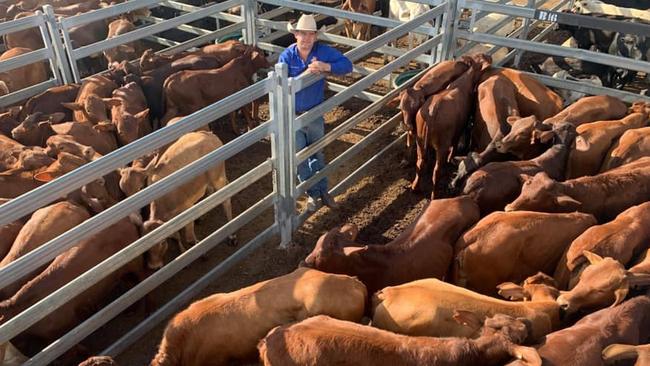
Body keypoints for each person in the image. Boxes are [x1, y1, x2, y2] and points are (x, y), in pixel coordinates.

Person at [278, 14, 353, 211]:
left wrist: (326, 66)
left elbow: (347, 65)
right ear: (295, 35)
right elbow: (280, 85)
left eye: (311, 34)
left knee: (317, 153)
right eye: (303, 34)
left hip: (314, 114)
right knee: (300, 157)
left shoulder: (322, 52)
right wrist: (305, 75)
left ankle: (322, 189)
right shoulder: (287, 56)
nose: (307, 38)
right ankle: (312, 193)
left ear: (315, 36)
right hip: (293, 116)